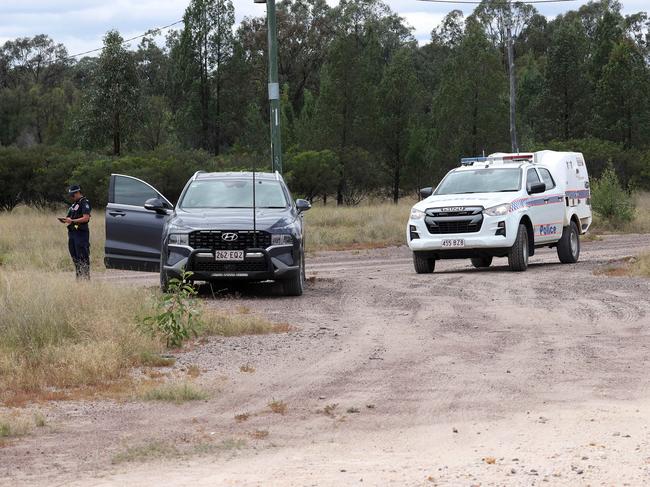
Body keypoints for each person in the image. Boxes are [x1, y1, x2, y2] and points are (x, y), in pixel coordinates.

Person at [60, 185, 92, 279]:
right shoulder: (74, 205)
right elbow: (70, 217)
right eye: (70, 196)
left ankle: (85, 279)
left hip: (81, 233)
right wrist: (66, 220)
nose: (71, 197)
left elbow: (86, 218)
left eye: (73, 195)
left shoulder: (84, 202)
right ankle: (79, 278)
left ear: (78, 193)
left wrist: (73, 221)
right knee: (75, 257)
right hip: (72, 233)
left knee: (83, 257)